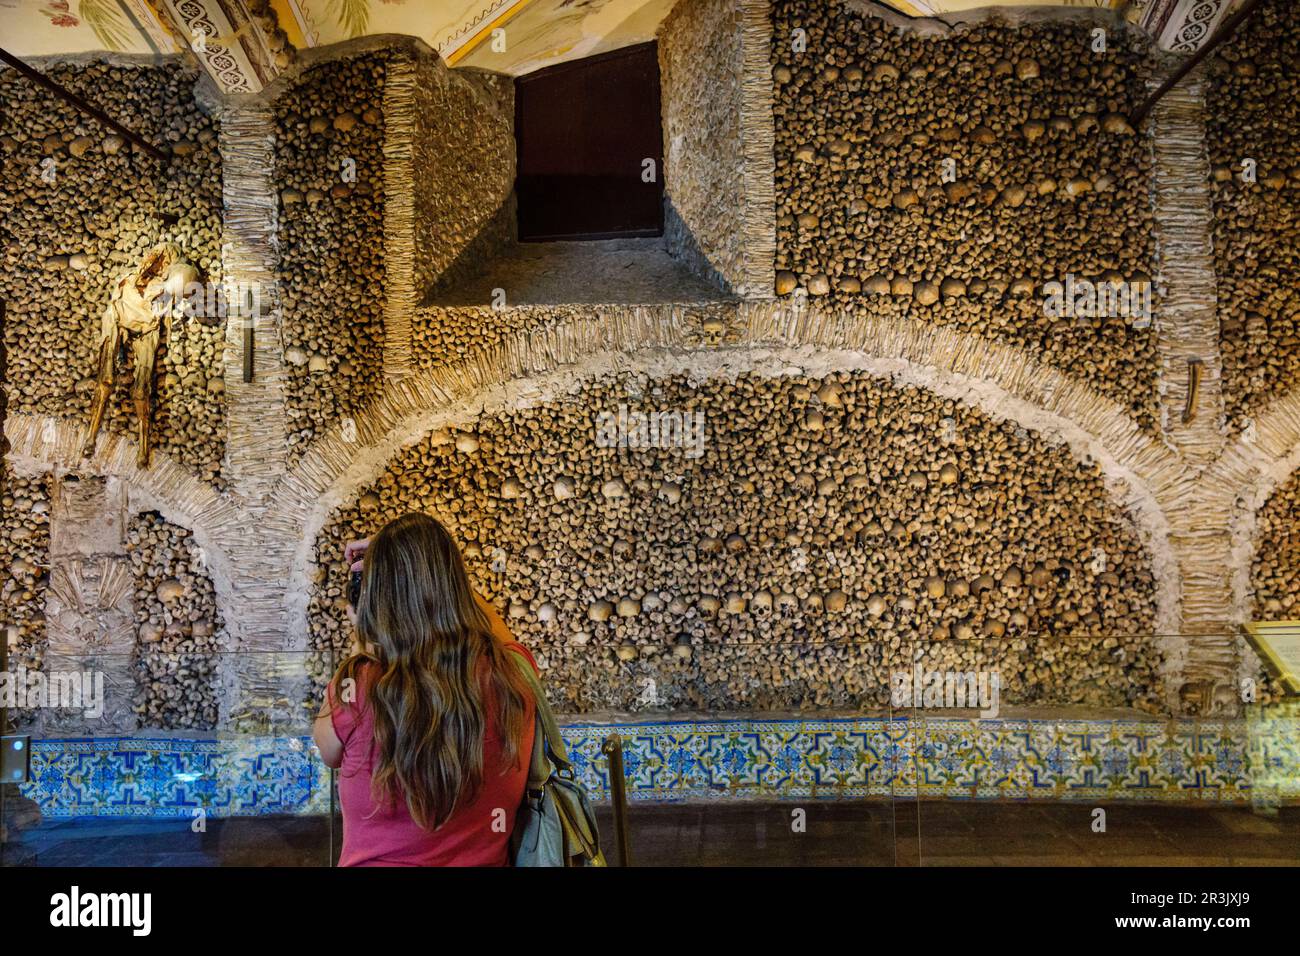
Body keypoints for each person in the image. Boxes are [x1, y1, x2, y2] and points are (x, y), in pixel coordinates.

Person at [313, 512, 536, 866]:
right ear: (457, 587)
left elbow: (328, 752)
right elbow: (493, 626)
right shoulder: (513, 674)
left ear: (377, 601)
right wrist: (427, 566)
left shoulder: (356, 687)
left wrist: (364, 638)